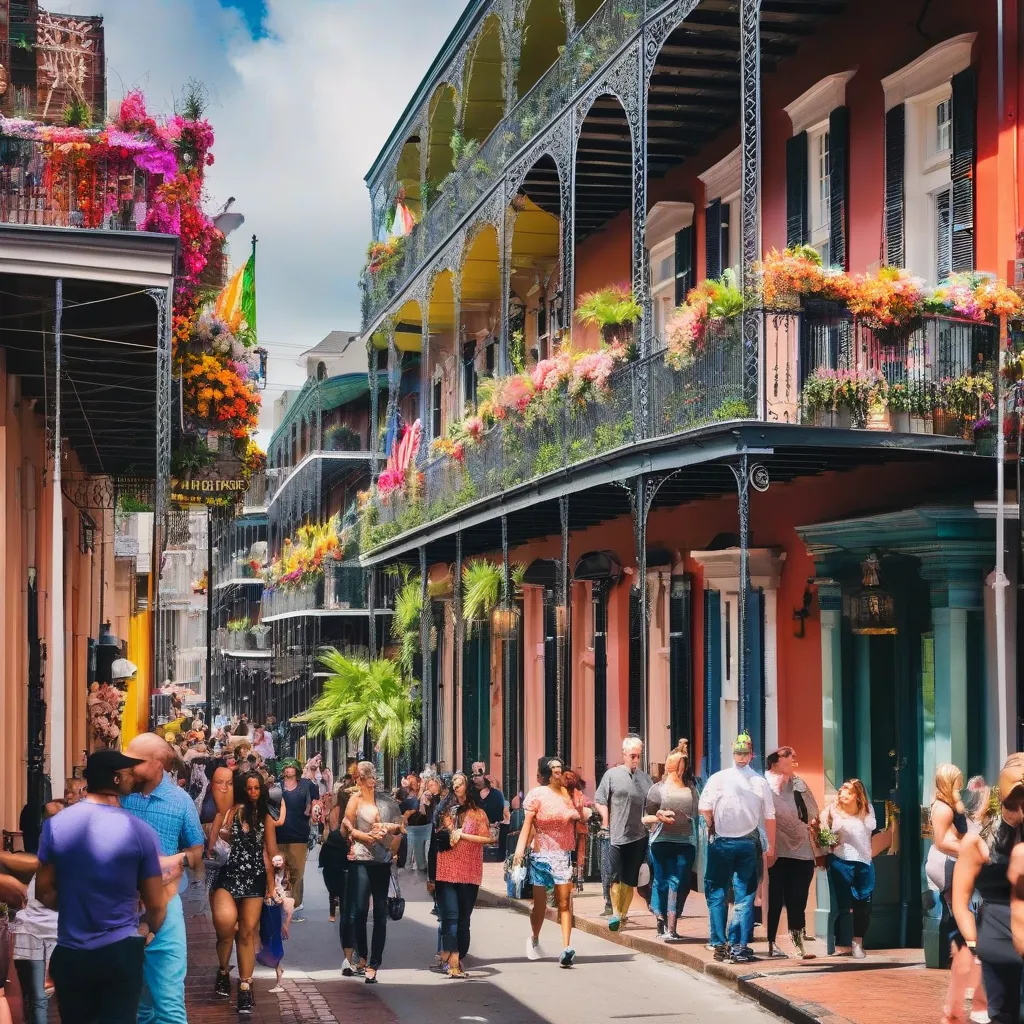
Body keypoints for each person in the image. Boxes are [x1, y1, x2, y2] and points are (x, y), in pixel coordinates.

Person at [34, 749, 169, 1024]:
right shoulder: (139, 831)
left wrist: (76, 905)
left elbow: (44, 891)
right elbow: (156, 904)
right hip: (118, 951)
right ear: (116, 779)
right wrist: (146, 930)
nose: (134, 777)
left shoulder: (55, 825)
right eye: (129, 773)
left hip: (71, 952)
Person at [121, 732, 206, 1024]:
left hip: (165, 905)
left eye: (136, 761)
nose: (128, 766)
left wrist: (178, 859)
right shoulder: (119, 795)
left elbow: (197, 851)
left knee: (169, 1005)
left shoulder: (180, 801)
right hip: (121, 908)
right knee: (136, 1006)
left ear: (158, 764)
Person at [954, 755, 1024, 1024]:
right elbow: (960, 901)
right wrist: (973, 942)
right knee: (1004, 1011)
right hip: (997, 929)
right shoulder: (979, 842)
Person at [699, 732, 776, 964]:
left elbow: (704, 808)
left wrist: (713, 825)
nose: (742, 757)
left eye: (741, 753)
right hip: (747, 843)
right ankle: (737, 946)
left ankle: (720, 942)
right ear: (751, 755)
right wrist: (770, 847)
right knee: (744, 896)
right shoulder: (759, 781)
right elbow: (770, 816)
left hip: (722, 841)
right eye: (742, 753)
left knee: (717, 893)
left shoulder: (718, 778)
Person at [209, 770, 279, 1015]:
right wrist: (221, 832)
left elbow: (271, 851)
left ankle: (246, 986)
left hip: (254, 880)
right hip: (228, 876)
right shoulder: (230, 813)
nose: (253, 792)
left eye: (257, 788)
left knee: (247, 932)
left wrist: (274, 882)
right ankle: (222, 970)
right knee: (226, 927)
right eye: (248, 788)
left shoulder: (265, 817)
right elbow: (211, 845)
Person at [926, 765, 987, 1024]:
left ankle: (966, 960)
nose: (961, 783)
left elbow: (966, 825)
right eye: (958, 780)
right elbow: (941, 841)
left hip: (955, 861)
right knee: (959, 914)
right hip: (946, 863)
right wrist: (969, 849)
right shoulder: (941, 807)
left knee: (961, 916)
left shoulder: (953, 803)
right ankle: (966, 958)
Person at [512, 755, 584, 967]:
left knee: (564, 901)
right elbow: (528, 825)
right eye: (553, 768)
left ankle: (566, 948)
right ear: (545, 773)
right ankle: (534, 937)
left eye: (559, 768)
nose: (557, 772)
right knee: (540, 906)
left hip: (562, 854)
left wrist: (577, 814)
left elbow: (580, 817)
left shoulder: (567, 795)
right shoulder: (537, 795)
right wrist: (519, 850)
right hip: (541, 853)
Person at [342, 762, 403, 983]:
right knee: (359, 911)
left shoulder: (387, 800)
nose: (369, 780)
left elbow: (400, 828)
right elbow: (344, 828)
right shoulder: (354, 800)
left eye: (369, 777)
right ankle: (363, 956)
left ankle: (373, 964)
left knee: (379, 913)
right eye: (364, 777)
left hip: (382, 860)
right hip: (360, 859)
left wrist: (389, 833)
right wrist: (355, 832)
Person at [434, 771, 494, 978]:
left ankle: (454, 957)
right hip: (447, 869)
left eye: (460, 783)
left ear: (467, 787)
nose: (456, 786)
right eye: (453, 784)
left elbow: (488, 839)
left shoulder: (478, 813)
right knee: (450, 918)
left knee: (463, 920)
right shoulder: (446, 810)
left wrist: (463, 835)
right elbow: (438, 835)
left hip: (469, 871)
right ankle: (452, 963)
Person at [594, 736, 654, 933]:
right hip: (616, 834)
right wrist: (605, 818)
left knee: (630, 878)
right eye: (632, 756)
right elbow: (600, 799)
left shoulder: (645, 780)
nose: (636, 760)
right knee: (615, 875)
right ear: (624, 755)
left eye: (638, 756)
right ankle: (616, 914)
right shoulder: (611, 775)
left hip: (638, 835)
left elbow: (652, 805)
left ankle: (622, 914)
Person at [764, 746, 819, 959]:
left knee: (798, 898)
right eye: (789, 755)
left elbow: (813, 811)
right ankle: (771, 942)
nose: (794, 758)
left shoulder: (798, 783)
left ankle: (798, 944)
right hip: (776, 848)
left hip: (802, 849)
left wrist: (796, 784)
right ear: (776, 760)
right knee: (775, 898)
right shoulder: (763, 783)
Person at [10, 801, 61, 1024]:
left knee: (43, 995)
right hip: (32, 929)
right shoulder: (37, 862)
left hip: (55, 930)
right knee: (39, 996)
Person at [642, 745, 699, 943]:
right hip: (661, 841)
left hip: (686, 842)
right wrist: (659, 816)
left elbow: (699, 814)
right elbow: (645, 817)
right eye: (676, 764)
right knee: (663, 880)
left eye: (682, 764)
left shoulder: (692, 788)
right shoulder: (657, 789)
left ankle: (671, 919)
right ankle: (663, 920)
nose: (679, 768)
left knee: (681, 883)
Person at [820, 778, 876, 960]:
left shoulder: (867, 810)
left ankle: (858, 941)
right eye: (842, 789)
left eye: (848, 791)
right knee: (842, 906)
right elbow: (821, 833)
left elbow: (868, 833)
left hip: (864, 862)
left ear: (857, 797)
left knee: (863, 906)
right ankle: (840, 944)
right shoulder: (831, 810)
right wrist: (828, 842)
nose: (842, 793)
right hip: (840, 861)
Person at [276, 759, 312, 915]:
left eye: (292, 767)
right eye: (287, 767)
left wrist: (311, 810)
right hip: (278, 835)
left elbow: (315, 802)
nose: (289, 770)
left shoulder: (306, 786)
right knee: (279, 870)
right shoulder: (276, 787)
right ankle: (280, 900)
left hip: (299, 834)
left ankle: (296, 903)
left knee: (297, 871)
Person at [257, 853, 294, 993]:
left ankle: (279, 979)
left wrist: (286, 925)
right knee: (267, 941)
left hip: (274, 912)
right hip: (267, 910)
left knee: (274, 945)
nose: (277, 863)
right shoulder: (268, 877)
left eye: (280, 861)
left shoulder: (283, 882)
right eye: (275, 861)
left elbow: (289, 907)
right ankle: (278, 974)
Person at [320, 783, 350, 924]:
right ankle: (344, 911)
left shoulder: (334, 810)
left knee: (332, 885)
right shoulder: (350, 811)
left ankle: (332, 913)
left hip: (332, 849)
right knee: (345, 884)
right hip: (345, 848)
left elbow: (331, 830)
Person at [471, 762, 510, 862]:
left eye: (478, 775)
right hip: (475, 837)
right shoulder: (471, 793)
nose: (475, 778)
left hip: (491, 837)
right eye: (473, 775)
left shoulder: (497, 795)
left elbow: (502, 816)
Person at [401, 772, 431, 874]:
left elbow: (414, 807)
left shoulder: (418, 795)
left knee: (414, 845)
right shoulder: (413, 795)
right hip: (416, 824)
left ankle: (410, 865)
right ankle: (412, 865)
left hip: (417, 824)